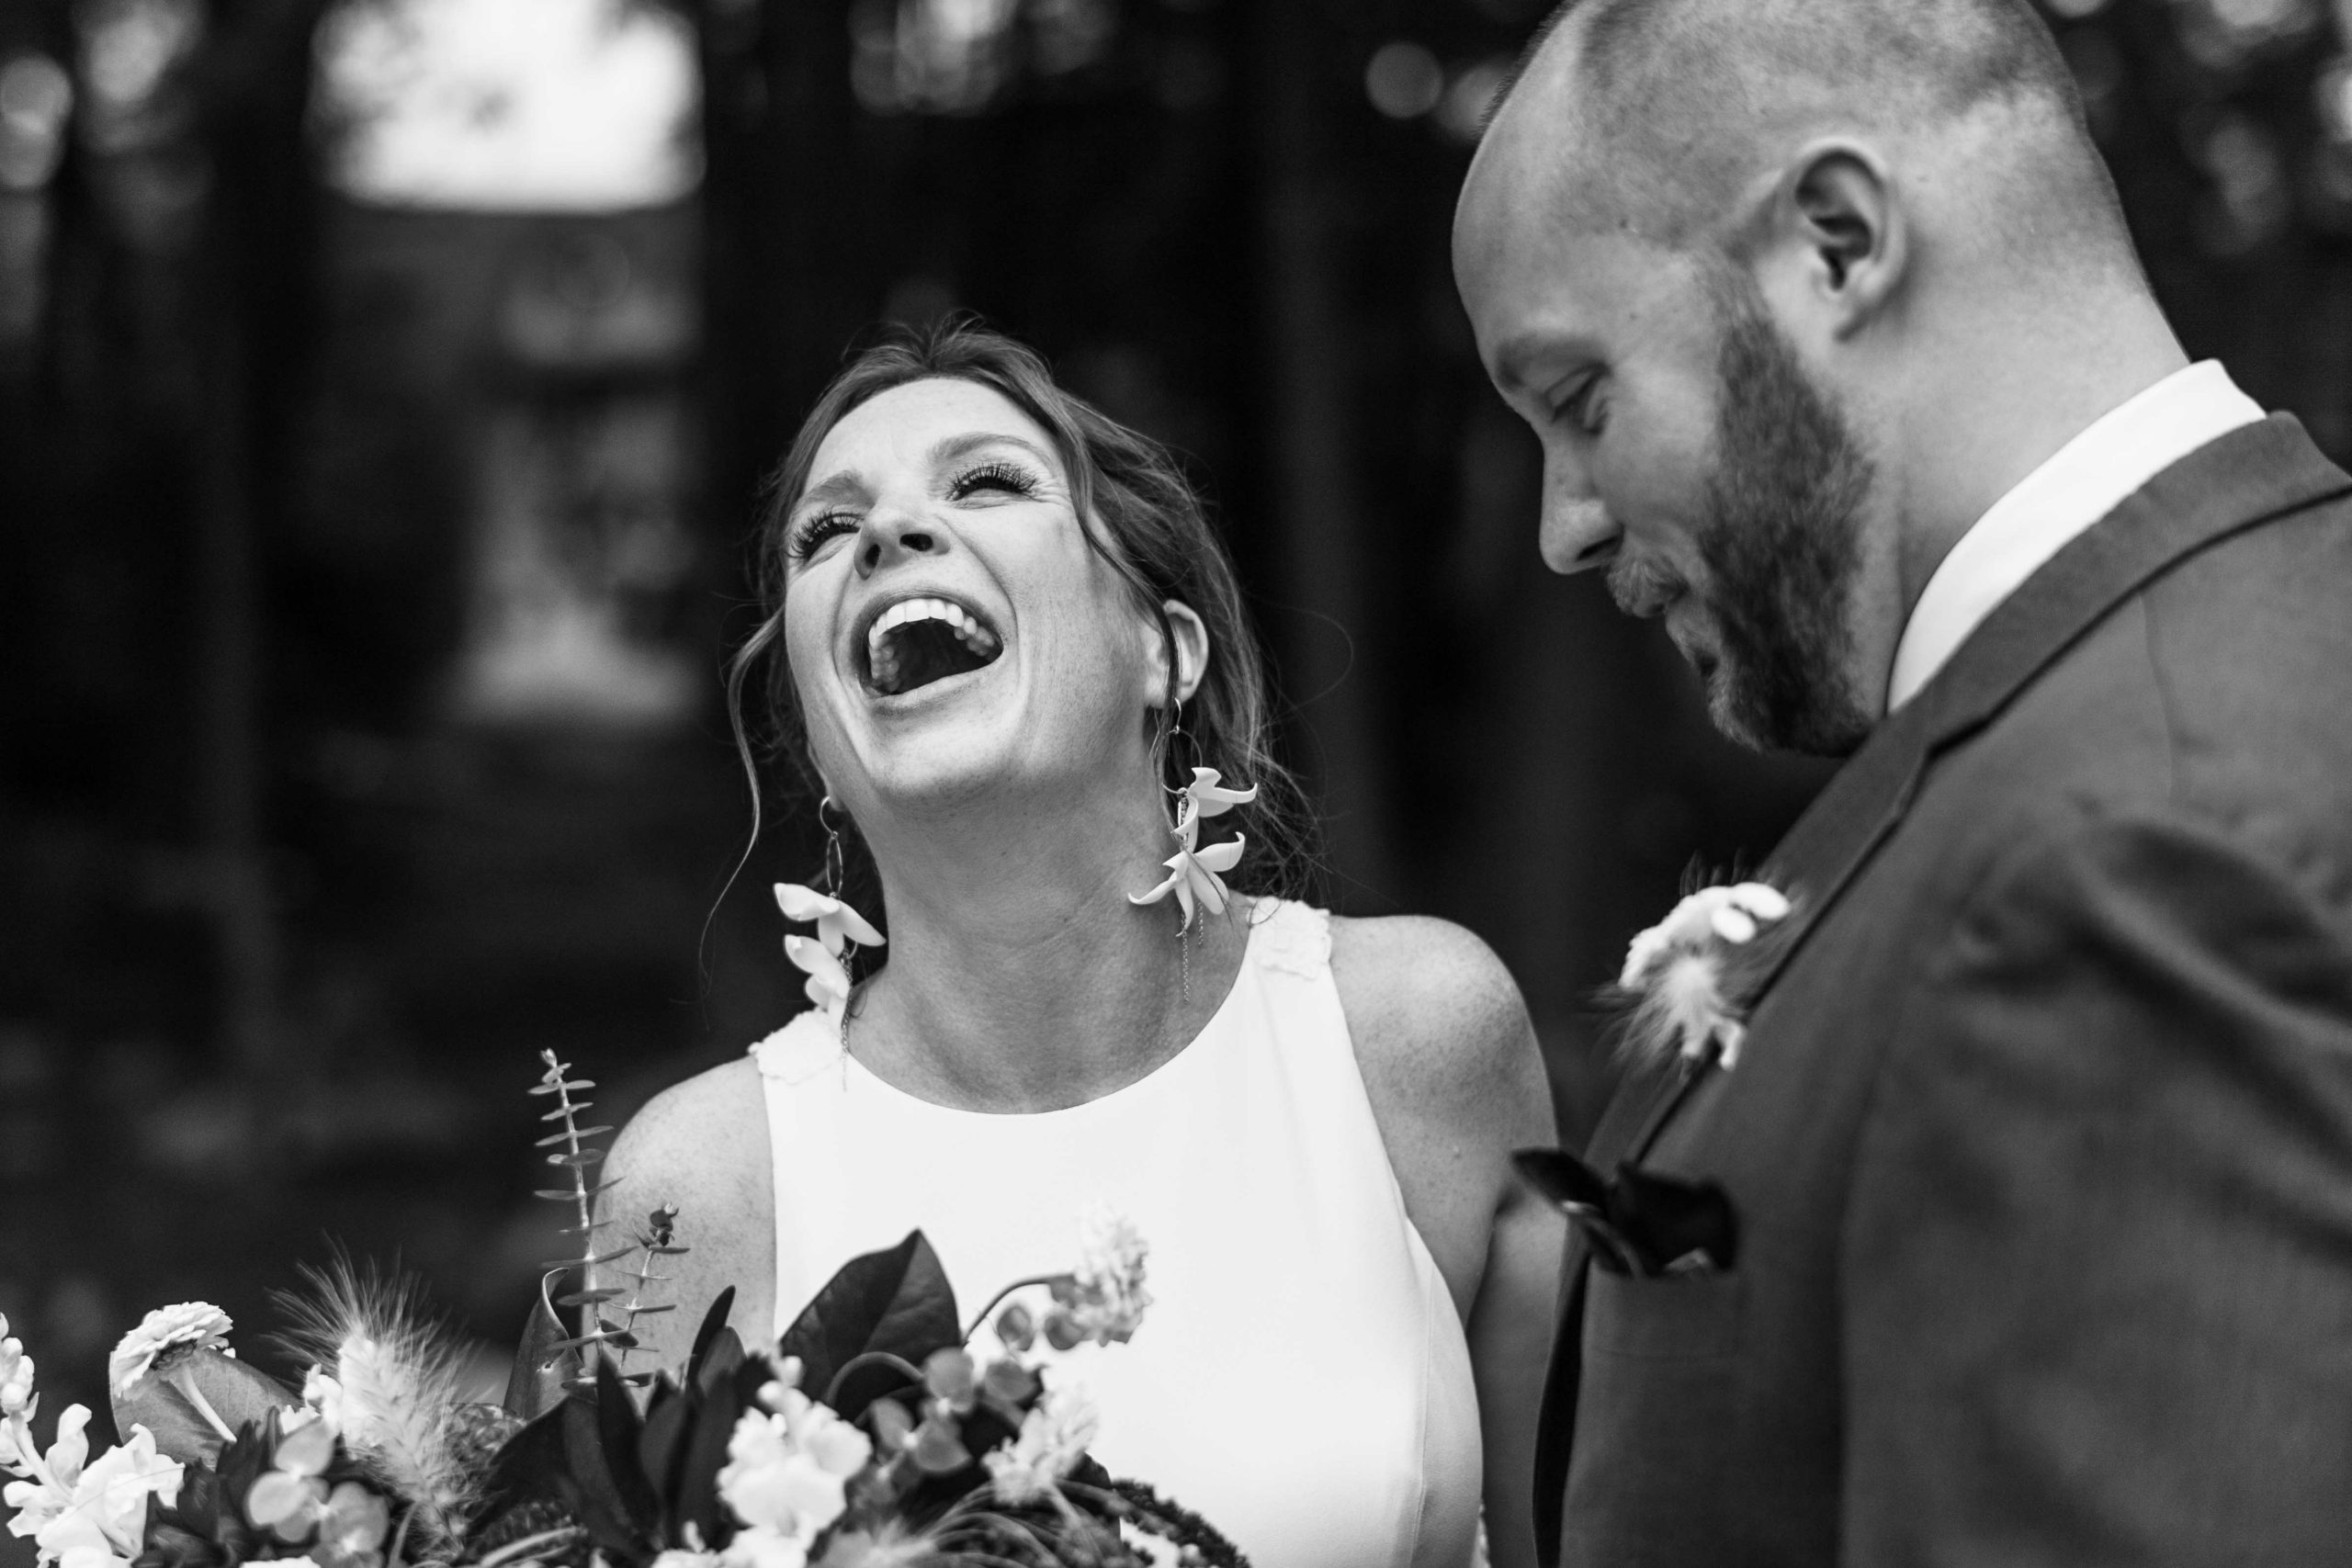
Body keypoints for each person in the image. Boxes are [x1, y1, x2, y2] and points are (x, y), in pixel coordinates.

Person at [1453, 1, 2352, 1564]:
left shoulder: (2130, 842)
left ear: (1841, 241)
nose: (1565, 527)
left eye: (1581, 400)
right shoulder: (2207, 673)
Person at [603, 321, 1564, 1568]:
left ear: (1165, 652)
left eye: (986, 483)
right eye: (826, 533)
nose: (885, 535)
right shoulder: (697, 1186)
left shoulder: (1417, 1037)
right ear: (818, 744)